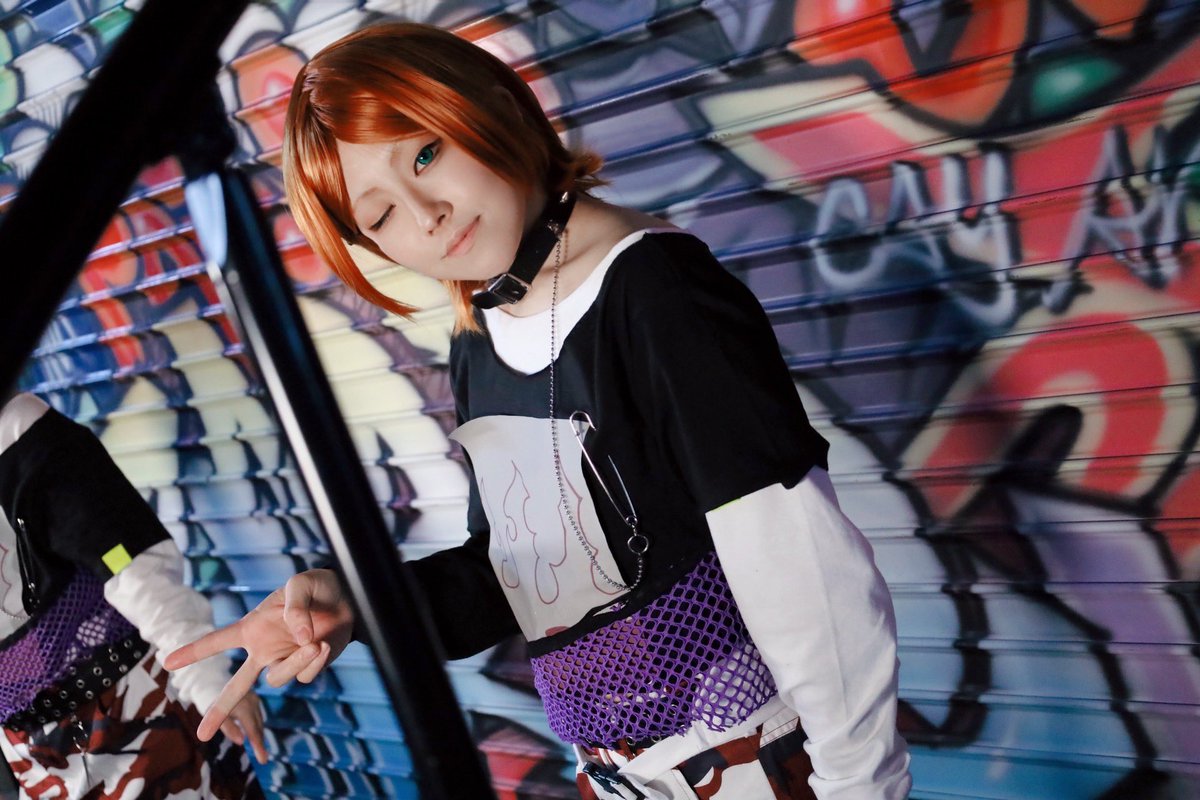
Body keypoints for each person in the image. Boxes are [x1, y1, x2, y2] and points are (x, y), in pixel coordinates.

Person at [166, 21, 912, 799]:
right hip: (617, 775)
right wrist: (356, 603)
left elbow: (801, 566)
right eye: (379, 217)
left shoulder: (656, 292)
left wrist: (860, 782)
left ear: (490, 101)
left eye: (425, 154)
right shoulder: (480, 335)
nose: (426, 215)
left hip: (750, 756)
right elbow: (515, 577)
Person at [0, 391, 267, 798]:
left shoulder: (17, 430)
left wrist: (205, 678)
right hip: (28, 754)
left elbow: (129, 560)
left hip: (134, 710)